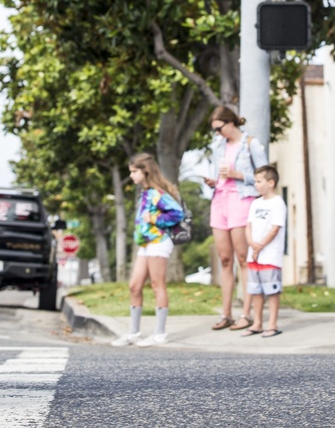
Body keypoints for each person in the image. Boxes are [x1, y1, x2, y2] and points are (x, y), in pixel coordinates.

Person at [203, 106, 268, 332]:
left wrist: (238, 175)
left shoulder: (251, 144)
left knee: (243, 258)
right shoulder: (219, 145)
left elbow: (265, 177)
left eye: (219, 128)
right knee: (224, 259)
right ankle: (227, 314)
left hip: (241, 201)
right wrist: (214, 181)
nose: (218, 133)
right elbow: (219, 175)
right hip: (220, 201)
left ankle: (247, 313)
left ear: (230, 123)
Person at [111, 153, 185, 348]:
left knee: (157, 284)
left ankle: (160, 333)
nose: (132, 176)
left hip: (158, 241)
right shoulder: (145, 193)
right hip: (145, 244)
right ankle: (133, 332)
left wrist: (154, 220)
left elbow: (178, 213)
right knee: (135, 285)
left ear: (145, 171)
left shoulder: (157, 193)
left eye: (134, 172)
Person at [242, 165, 287, 338]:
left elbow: (275, 228)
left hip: (269, 256)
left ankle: (272, 324)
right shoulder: (255, 203)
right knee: (255, 290)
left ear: (271, 182)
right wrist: (252, 244)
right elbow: (249, 226)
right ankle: (257, 323)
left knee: (272, 291)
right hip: (254, 256)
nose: (256, 185)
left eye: (259, 181)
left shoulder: (278, 203)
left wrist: (259, 246)